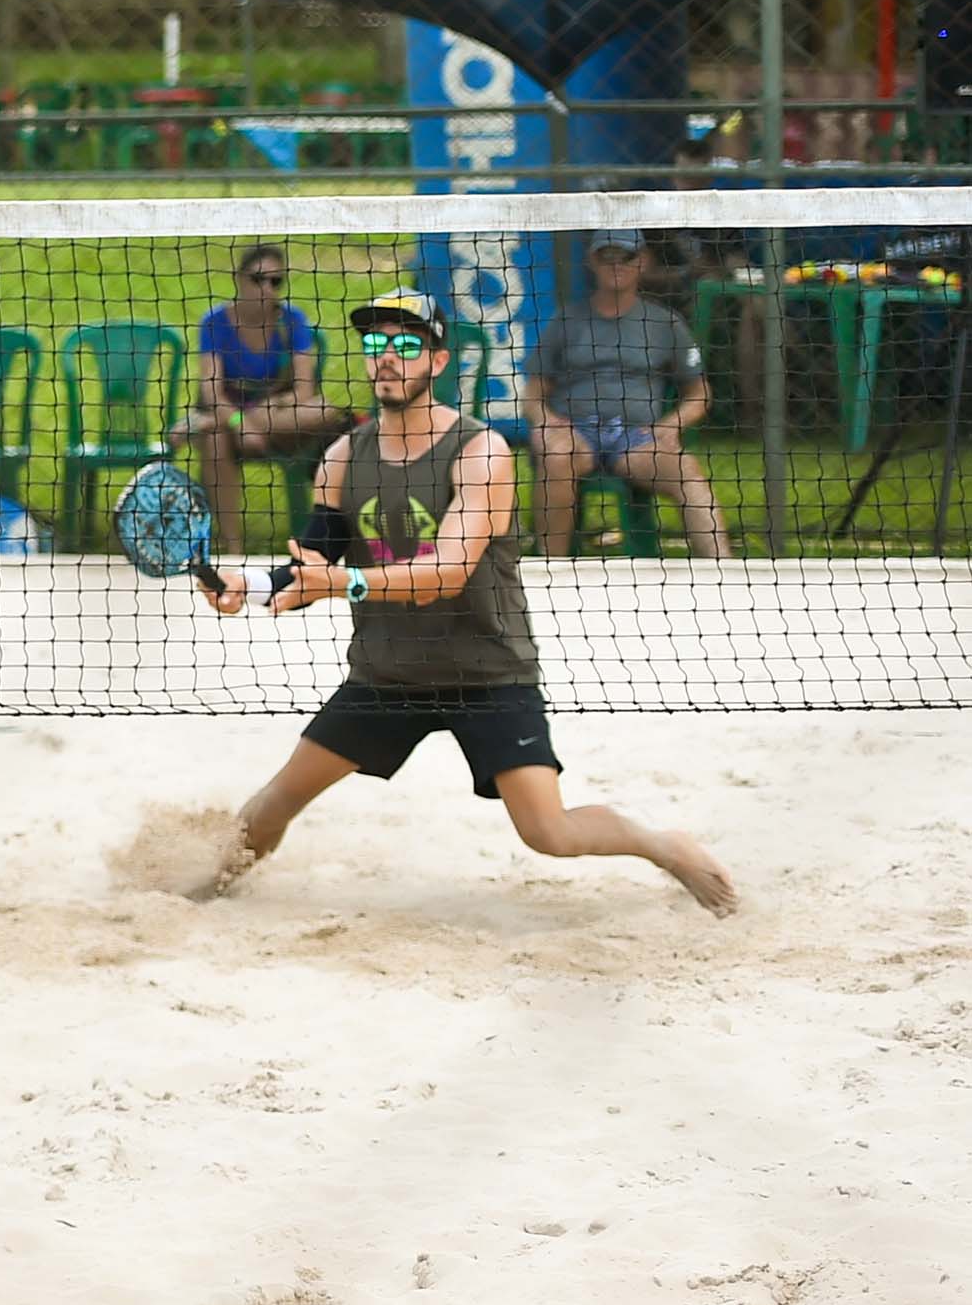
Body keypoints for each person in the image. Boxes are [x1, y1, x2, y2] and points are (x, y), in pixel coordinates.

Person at [199, 288, 735, 913]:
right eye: (376, 345)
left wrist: (342, 583)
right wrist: (255, 586)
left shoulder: (481, 452)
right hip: (389, 672)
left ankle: (662, 845)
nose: (388, 359)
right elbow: (319, 555)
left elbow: (449, 570)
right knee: (274, 803)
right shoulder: (342, 455)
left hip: (485, 668)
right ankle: (201, 892)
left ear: (438, 361)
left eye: (406, 345)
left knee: (549, 833)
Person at [529, 232, 730, 560]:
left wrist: (671, 424)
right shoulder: (566, 320)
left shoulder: (664, 322)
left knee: (687, 471)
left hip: (637, 437)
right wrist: (545, 422)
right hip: (575, 431)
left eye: (626, 257)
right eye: (607, 257)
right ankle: (553, 571)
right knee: (555, 456)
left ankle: (725, 573)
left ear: (643, 262)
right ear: (592, 262)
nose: (617, 265)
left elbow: (699, 392)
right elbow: (534, 390)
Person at [178, 241, 350, 548]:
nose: (267, 289)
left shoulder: (292, 320)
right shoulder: (215, 323)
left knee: (325, 410)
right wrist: (236, 422)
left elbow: (304, 391)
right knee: (215, 439)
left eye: (276, 281)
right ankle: (232, 546)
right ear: (239, 278)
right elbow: (212, 391)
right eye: (258, 279)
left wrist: (255, 416)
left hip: (277, 420)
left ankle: (203, 423)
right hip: (228, 420)